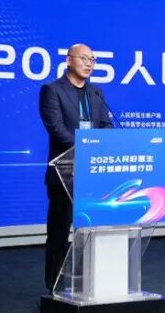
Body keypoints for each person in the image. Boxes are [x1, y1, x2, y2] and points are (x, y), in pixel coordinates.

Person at [38, 43, 115, 291]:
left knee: (90, 230)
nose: (89, 63)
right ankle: (54, 286)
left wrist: (98, 145)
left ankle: (87, 283)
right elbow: (56, 129)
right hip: (65, 173)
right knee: (59, 233)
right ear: (69, 60)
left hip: (92, 174)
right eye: (84, 58)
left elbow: (106, 126)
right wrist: (89, 145)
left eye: (93, 59)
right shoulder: (52, 90)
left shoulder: (96, 93)